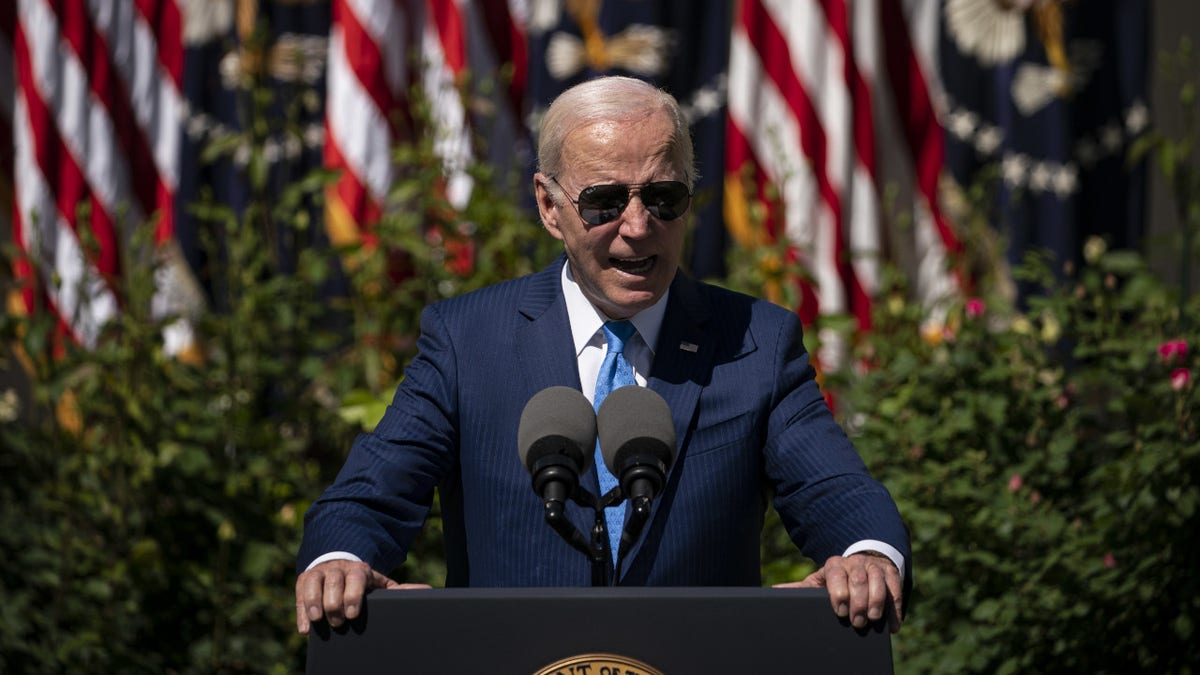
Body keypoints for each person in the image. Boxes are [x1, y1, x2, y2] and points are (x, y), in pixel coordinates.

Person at [295, 76, 910, 636]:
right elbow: (366, 499)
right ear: (548, 206)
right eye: (604, 202)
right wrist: (341, 563)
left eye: (664, 198)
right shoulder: (468, 340)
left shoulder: (754, 340)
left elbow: (836, 491)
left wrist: (866, 554)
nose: (638, 227)